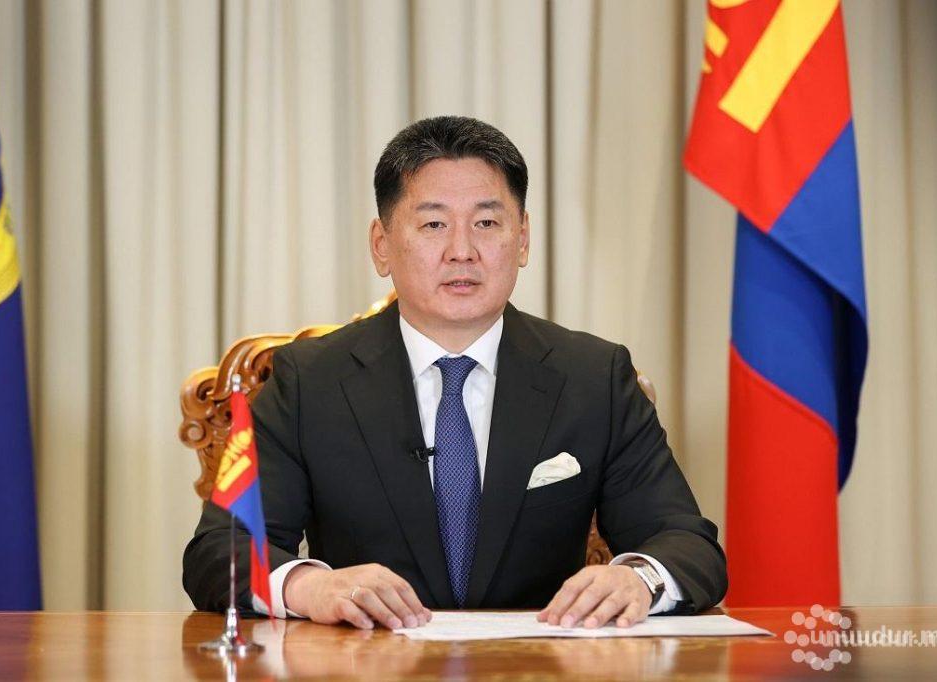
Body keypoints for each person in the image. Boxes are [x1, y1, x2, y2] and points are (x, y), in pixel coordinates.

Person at [183, 115, 727, 631]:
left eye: (487, 223)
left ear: (523, 240)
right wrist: (310, 587)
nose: (462, 251)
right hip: (367, 663)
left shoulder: (593, 378)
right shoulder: (308, 381)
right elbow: (218, 549)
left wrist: (639, 579)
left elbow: (688, 544)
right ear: (381, 245)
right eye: (434, 224)